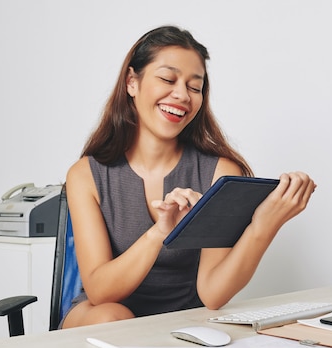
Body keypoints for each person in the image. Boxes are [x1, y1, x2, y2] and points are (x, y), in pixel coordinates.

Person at [62, 25, 316, 329]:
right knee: (113, 318)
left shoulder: (220, 173)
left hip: (183, 320)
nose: (182, 95)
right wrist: (159, 233)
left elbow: (212, 294)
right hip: (102, 315)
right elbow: (100, 291)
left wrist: (263, 226)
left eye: (195, 87)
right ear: (132, 82)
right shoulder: (86, 175)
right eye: (168, 79)